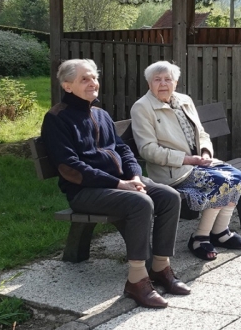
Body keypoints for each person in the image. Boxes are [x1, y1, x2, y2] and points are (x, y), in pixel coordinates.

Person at [41, 59, 190, 309]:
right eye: (84, 79)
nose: (92, 83)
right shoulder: (57, 118)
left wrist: (133, 176)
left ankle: (160, 268)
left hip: (120, 183)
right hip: (86, 191)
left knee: (168, 196)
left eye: (94, 78)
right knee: (140, 202)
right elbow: (70, 167)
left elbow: (122, 149)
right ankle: (136, 280)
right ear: (67, 86)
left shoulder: (101, 113)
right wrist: (119, 184)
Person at [130, 60, 241, 261]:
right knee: (220, 182)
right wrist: (187, 160)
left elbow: (201, 133)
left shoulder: (184, 100)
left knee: (236, 176)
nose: (163, 83)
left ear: (176, 82)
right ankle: (199, 237)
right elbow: (148, 150)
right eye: (157, 79)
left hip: (198, 163)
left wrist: (205, 154)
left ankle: (219, 232)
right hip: (172, 170)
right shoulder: (142, 107)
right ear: (149, 83)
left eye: (168, 79)